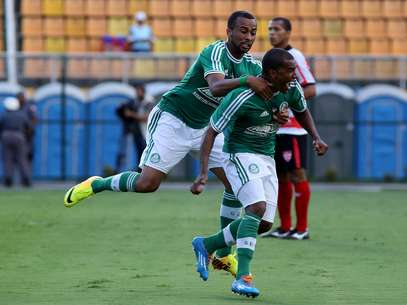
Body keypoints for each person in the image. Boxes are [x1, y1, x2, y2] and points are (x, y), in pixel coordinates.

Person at [64, 11, 274, 277]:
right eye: (243, 31)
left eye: (253, 32)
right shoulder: (215, 52)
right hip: (173, 119)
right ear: (229, 31)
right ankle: (97, 183)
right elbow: (216, 87)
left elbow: (255, 99)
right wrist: (246, 82)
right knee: (147, 184)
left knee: (235, 184)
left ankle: (224, 256)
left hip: (208, 127)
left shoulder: (253, 67)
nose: (248, 37)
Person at [190, 48, 328, 297]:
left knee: (262, 224)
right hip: (239, 154)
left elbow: (302, 110)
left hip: (266, 157)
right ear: (273, 73)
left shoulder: (291, 89)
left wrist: (316, 137)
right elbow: (211, 131)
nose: (294, 76)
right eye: (289, 71)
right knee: (256, 208)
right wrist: (203, 173)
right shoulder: (242, 96)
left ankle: (207, 244)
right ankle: (243, 277)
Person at [261, 17, 317, 240]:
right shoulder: (273, 58)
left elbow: (311, 88)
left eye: (277, 29)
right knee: (281, 176)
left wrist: (288, 102)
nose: (272, 33)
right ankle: (285, 227)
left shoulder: (296, 57)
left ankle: (302, 228)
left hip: (293, 128)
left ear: (288, 33)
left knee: (296, 173)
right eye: (270, 29)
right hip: (277, 127)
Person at [115, 84, 154, 172]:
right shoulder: (135, 102)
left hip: (145, 132)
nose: (137, 93)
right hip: (135, 131)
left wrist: (131, 114)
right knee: (135, 153)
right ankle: (135, 171)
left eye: (138, 91)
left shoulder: (148, 102)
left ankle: (144, 172)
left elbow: (146, 118)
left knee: (144, 153)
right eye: (136, 91)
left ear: (143, 92)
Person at [0, 97, 32, 187]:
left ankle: (8, 179)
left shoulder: (3, 115)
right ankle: (26, 179)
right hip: (19, 136)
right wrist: (26, 137)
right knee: (22, 159)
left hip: (5, 136)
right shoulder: (22, 115)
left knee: (7, 159)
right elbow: (29, 127)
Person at [16, 92, 37, 167]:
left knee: (28, 150)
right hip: (19, 131)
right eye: (19, 98)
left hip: (28, 131)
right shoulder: (16, 107)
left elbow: (34, 119)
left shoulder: (29, 107)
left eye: (21, 97)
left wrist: (31, 128)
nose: (20, 99)